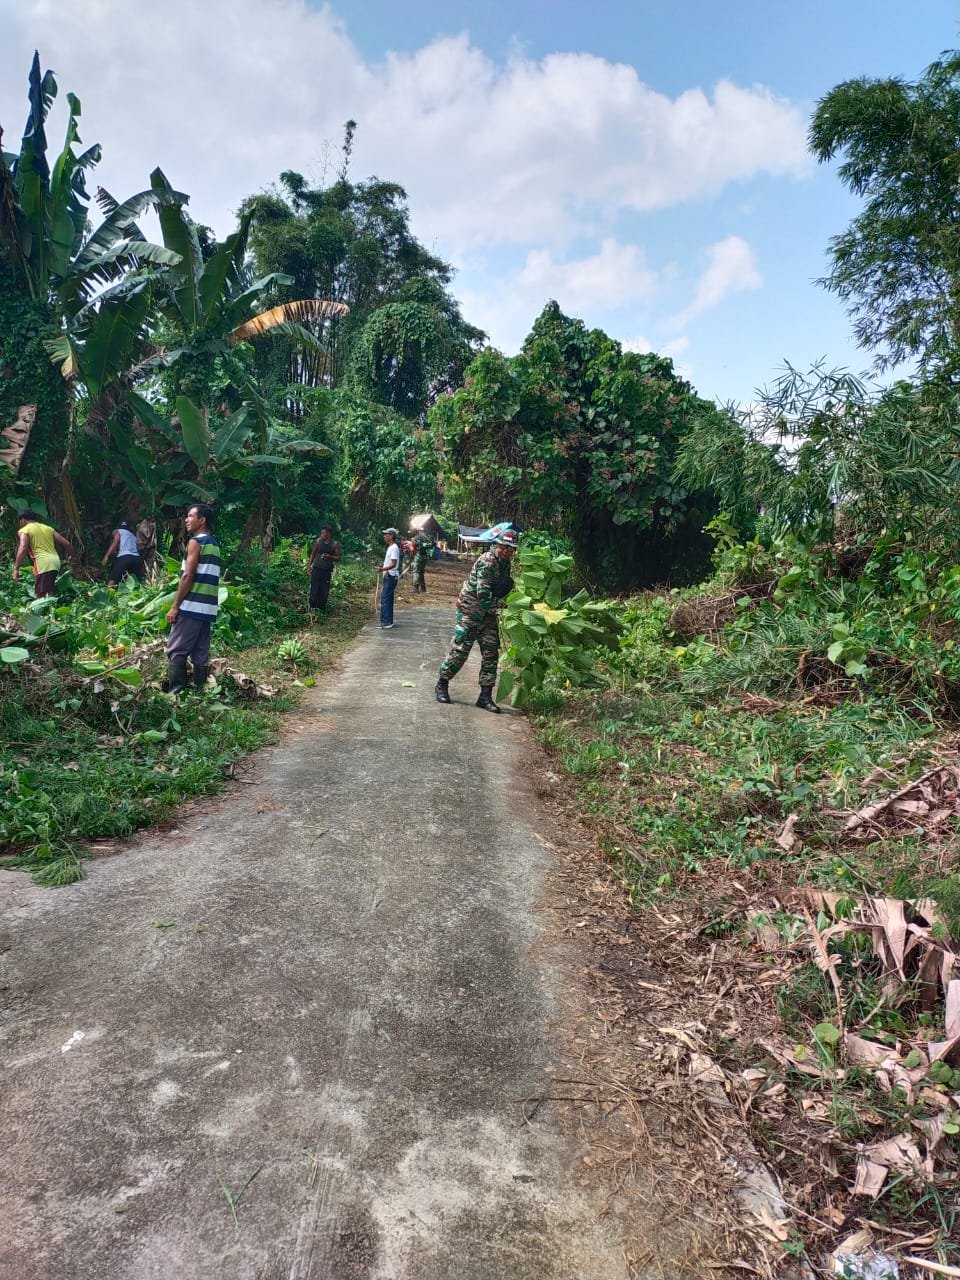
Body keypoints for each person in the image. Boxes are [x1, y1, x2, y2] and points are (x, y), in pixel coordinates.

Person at [435, 527, 518, 712]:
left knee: (491, 654)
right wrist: (499, 609)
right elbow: (482, 593)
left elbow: (498, 589)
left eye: (510, 549)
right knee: (460, 651)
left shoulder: (505, 563)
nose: (506, 551)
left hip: (487, 614)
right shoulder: (488, 561)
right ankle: (442, 684)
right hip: (471, 611)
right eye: (503, 546)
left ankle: (485, 696)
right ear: (496, 544)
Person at [165, 504, 221, 694]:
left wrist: (175, 606)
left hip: (192, 605)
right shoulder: (214, 543)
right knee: (200, 652)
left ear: (202, 520)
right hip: (207, 608)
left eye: (190, 516)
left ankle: (176, 692)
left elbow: (187, 576)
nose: (187, 520)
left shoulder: (196, 542)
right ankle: (199, 693)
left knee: (176, 649)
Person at [12, 510, 73, 598]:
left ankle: (45, 610)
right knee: (48, 591)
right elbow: (67, 543)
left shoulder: (24, 530)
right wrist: (72, 556)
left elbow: (23, 548)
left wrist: (16, 569)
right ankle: (51, 609)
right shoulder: (48, 528)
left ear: (23, 520)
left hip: (43, 563)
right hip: (56, 561)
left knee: (41, 595)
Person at [306, 524, 341, 614]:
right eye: (321, 533)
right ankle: (312, 609)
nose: (322, 535)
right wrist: (309, 566)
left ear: (329, 534)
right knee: (314, 590)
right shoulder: (318, 541)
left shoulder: (334, 544)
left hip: (326, 571)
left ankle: (321, 610)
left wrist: (330, 557)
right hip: (317, 569)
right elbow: (312, 554)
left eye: (324, 533)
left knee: (324, 591)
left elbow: (338, 558)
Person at [102, 519, 146, 587]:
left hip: (125, 557)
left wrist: (106, 556)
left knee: (113, 579)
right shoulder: (133, 536)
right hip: (136, 559)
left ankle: (107, 593)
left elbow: (115, 542)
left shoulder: (118, 531)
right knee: (132, 582)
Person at [375, 527, 401, 629]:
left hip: (391, 576)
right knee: (386, 598)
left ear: (391, 536)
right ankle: (386, 621)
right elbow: (390, 562)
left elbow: (394, 564)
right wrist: (383, 567)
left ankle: (387, 622)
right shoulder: (391, 547)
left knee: (385, 599)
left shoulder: (394, 548)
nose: (384, 536)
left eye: (386, 534)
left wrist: (382, 569)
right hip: (388, 575)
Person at [411, 528, 435, 593]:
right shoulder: (425, 537)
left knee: (416, 572)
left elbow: (412, 549)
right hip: (424, 557)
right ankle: (423, 588)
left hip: (418, 557)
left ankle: (415, 588)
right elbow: (430, 546)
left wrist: (411, 557)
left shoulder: (415, 539)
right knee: (421, 572)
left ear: (414, 532)